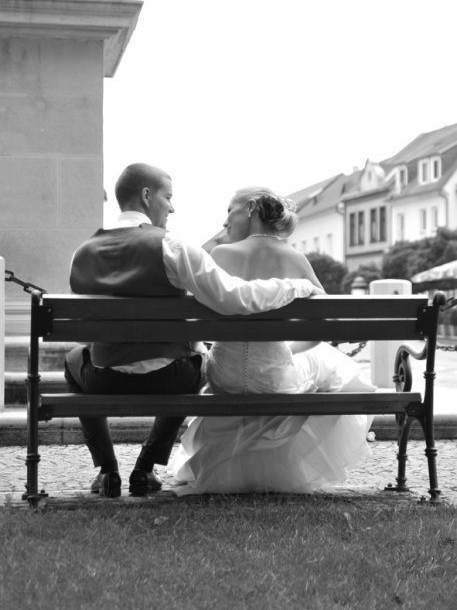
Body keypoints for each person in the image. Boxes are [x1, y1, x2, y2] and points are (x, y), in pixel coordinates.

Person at [64, 165, 323, 498]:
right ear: (147, 196)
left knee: (73, 360)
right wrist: (297, 286)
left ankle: (108, 470)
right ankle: (144, 468)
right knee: (196, 360)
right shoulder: (172, 247)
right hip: (169, 378)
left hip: (104, 379)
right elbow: (234, 298)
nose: (172, 208)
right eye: (168, 197)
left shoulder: (82, 252)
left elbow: (84, 330)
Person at [170, 187, 376, 494]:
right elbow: (323, 326)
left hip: (224, 374)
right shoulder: (295, 259)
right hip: (272, 375)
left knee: (305, 365)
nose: (225, 221)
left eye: (230, 210)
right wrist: (288, 350)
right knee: (333, 365)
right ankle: (284, 467)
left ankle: (232, 470)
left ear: (251, 208)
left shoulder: (220, 255)